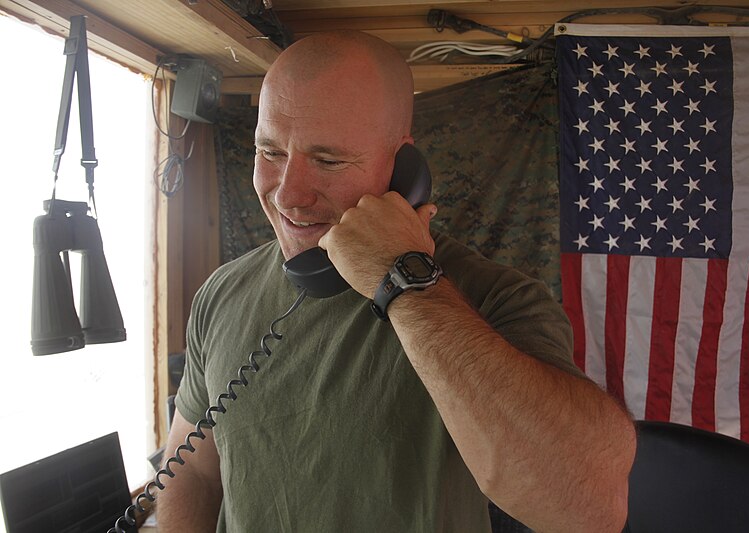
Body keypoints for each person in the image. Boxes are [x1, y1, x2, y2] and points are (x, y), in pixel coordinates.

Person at [158, 30, 636, 533]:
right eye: (270, 152)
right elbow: (191, 470)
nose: (288, 195)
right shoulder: (221, 293)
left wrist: (406, 281)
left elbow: (589, 509)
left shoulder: (496, 299)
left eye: (328, 160)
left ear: (403, 166)